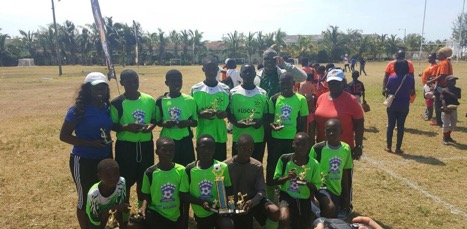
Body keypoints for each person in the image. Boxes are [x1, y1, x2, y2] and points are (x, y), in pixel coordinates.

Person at [59, 72, 113, 228]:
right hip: (83, 160)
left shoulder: (106, 107)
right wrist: (91, 143)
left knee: (102, 193)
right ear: (88, 89)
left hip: (103, 157)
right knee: (85, 197)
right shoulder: (78, 110)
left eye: (103, 87)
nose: (100, 91)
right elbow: (64, 136)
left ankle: (100, 224)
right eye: (96, 88)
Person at [313, 69, 364, 215]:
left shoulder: (351, 100)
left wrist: (359, 145)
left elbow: (359, 124)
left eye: (337, 82)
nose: (334, 85)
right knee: (323, 177)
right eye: (331, 82)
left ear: (343, 82)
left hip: (342, 148)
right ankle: (325, 204)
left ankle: (345, 205)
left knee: (343, 178)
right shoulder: (321, 98)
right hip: (322, 147)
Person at [110, 69, 157, 205]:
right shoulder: (117, 103)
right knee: (125, 181)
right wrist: (126, 127)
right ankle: (125, 212)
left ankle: (141, 213)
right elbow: (112, 125)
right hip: (126, 147)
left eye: (135, 81)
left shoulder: (149, 100)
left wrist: (151, 126)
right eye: (128, 82)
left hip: (145, 146)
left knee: (144, 181)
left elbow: (154, 119)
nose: (132, 84)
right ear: (122, 83)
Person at [266, 73, 309, 200]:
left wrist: (303, 140)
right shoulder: (274, 99)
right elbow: (269, 119)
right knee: (272, 165)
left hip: (293, 140)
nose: (285, 85)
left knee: (291, 166)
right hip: (276, 139)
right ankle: (270, 194)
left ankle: (288, 192)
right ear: (279, 83)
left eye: (287, 82)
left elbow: (304, 121)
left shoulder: (301, 99)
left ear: (293, 83)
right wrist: (272, 125)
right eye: (282, 83)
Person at [224, 134, 280, 229]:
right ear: (236, 147)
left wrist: (252, 202)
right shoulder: (225, 166)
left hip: (252, 202)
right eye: (243, 149)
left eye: (250, 150)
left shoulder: (257, 166)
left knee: (274, 211)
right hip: (232, 203)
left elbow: (261, 191)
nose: (247, 153)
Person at [180, 134, 234, 229]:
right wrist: (201, 202)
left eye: (210, 148)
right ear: (196, 150)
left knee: (227, 225)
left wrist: (229, 208)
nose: (207, 151)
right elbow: (183, 195)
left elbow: (229, 189)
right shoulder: (189, 169)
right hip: (202, 213)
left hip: (219, 210)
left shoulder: (221, 167)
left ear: (214, 150)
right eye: (203, 148)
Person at [273, 132, 321, 229]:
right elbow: (275, 181)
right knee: (284, 219)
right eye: (298, 144)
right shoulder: (284, 159)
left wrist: (307, 183)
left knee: (303, 225)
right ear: (293, 144)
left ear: (309, 146)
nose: (300, 147)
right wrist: (287, 177)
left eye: (304, 145)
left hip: (304, 198)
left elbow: (316, 187)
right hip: (286, 196)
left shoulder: (314, 164)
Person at [139, 137, 189, 228]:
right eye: (164, 150)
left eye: (171, 150)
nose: (168, 153)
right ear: (156, 152)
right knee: (133, 224)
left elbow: (184, 197)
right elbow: (146, 195)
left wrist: (185, 220)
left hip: (175, 216)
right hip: (156, 214)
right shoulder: (150, 173)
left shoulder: (182, 171)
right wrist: (143, 207)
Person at [310, 119, 352, 218]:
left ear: (341, 132)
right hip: (321, 187)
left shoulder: (346, 149)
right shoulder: (317, 148)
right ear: (324, 132)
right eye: (328, 130)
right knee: (330, 209)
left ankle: (317, 213)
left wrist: (346, 197)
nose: (331, 133)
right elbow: (309, 169)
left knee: (334, 215)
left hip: (336, 188)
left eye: (335, 130)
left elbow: (345, 172)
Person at [191, 56, 230, 162]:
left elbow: (230, 111)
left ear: (218, 69)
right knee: (203, 166)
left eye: (214, 69)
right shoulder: (195, 89)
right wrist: (200, 114)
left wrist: (225, 114)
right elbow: (192, 114)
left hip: (220, 135)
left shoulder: (225, 89)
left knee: (219, 167)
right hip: (203, 136)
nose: (212, 72)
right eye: (208, 69)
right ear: (203, 69)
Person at [156, 69, 197, 166]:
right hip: (167, 142)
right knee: (168, 168)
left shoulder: (189, 100)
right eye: (173, 81)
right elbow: (157, 121)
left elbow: (195, 122)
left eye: (179, 80)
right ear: (166, 83)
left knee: (187, 169)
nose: (176, 83)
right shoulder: (160, 101)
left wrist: (188, 123)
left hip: (185, 141)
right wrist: (164, 123)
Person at [228, 64, 268, 162]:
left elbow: (267, 114)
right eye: (245, 72)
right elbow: (229, 113)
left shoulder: (262, 93)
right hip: (239, 138)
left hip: (257, 138)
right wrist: (237, 123)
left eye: (250, 71)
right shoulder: (233, 93)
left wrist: (260, 122)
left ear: (255, 74)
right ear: (240, 74)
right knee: (237, 166)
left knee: (256, 165)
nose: (248, 74)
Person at [86, 159, 129, 229]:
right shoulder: (93, 195)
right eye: (108, 176)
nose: (113, 178)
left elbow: (119, 212)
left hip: (113, 220)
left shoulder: (121, 183)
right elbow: (95, 221)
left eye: (116, 174)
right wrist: (115, 209)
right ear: (99, 177)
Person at [384, 60, 415, 154]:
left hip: (392, 105)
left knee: (390, 125)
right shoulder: (410, 79)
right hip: (404, 105)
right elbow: (412, 91)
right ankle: (398, 148)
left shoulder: (391, 78)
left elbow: (387, 90)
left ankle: (389, 146)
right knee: (401, 126)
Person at [428, 47, 454, 126]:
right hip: (444, 85)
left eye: (439, 54)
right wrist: (434, 78)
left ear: (444, 55)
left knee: (438, 104)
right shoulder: (446, 62)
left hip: (442, 86)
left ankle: (439, 121)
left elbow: (443, 75)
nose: (437, 56)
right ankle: (442, 120)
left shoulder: (444, 63)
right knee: (443, 103)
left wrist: (431, 81)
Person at [441, 76, 461, 145]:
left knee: (453, 124)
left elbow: (457, 96)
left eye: (454, 80)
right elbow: (442, 100)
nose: (454, 82)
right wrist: (445, 108)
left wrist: (448, 92)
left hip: (454, 108)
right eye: (452, 80)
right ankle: (445, 137)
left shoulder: (457, 89)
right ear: (447, 82)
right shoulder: (443, 89)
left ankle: (448, 136)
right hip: (446, 109)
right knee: (446, 124)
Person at [420, 53, 438, 122]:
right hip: (426, 85)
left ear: (434, 58)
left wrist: (430, 85)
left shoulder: (435, 66)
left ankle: (429, 115)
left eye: (430, 58)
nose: (428, 59)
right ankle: (427, 113)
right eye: (428, 58)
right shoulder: (431, 65)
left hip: (430, 86)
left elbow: (433, 77)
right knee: (428, 100)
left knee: (429, 100)